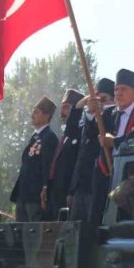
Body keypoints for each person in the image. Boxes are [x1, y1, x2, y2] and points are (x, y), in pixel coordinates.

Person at [86, 68, 134, 225]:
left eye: (123, 89)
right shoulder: (107, 114)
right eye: (116, 89)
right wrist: (91, 113)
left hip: (126, 176)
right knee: (96, 217)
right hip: (103, 173)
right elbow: (89, 135)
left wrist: (114, 142)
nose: (118, 93)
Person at [68, 78, 114, 221]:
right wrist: (82, 108)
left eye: (104, 99)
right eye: (96, 99)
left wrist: (95, 113)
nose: (99, 103)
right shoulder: (88, 119)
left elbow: (99, 133)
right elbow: (71, 130)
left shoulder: (114, 116)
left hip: (97, 185)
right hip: (80, 184)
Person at [10, 97, 59, 222]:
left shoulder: (49, 137)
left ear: (46, 116)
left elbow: (47, 166)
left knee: (33, 233)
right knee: (20, 233)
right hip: (23, 193)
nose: (32, 115)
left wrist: (45, 189)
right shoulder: (35, 137)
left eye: (36, 112)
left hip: (36, 196)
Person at [47, 89, 85, 219]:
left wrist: (71, 191)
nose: (62, 112)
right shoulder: (66, 135)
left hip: (68, 192)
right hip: (55, 190)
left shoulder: (80, 133)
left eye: (67, 107)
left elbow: (77, 164)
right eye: (62, 107)